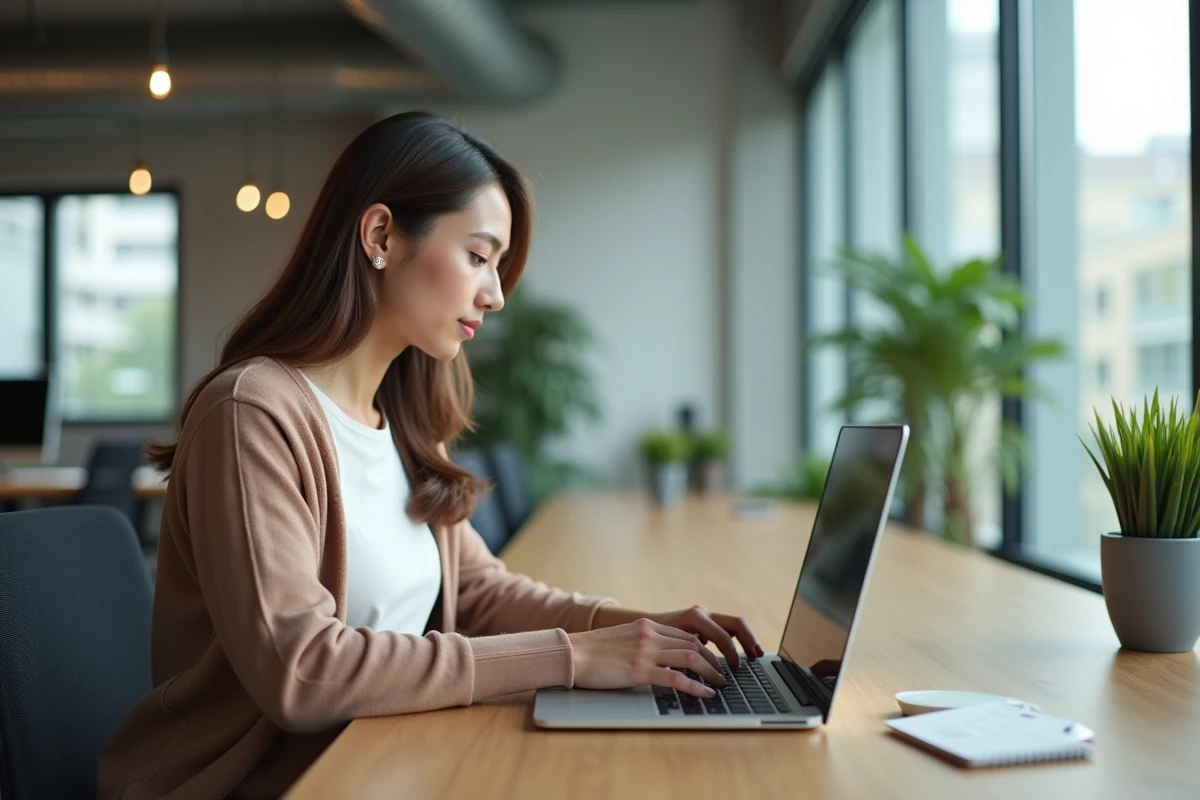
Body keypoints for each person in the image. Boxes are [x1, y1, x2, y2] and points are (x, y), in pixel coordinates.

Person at [98, 112, 762, 800]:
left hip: (377, 763)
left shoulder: (404, 421)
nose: (496, 294)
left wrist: (634, 629)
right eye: (479, 257)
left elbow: (476, 592)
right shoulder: (252, 414)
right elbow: (302, 672)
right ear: (381, 235)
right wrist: (574, 657)